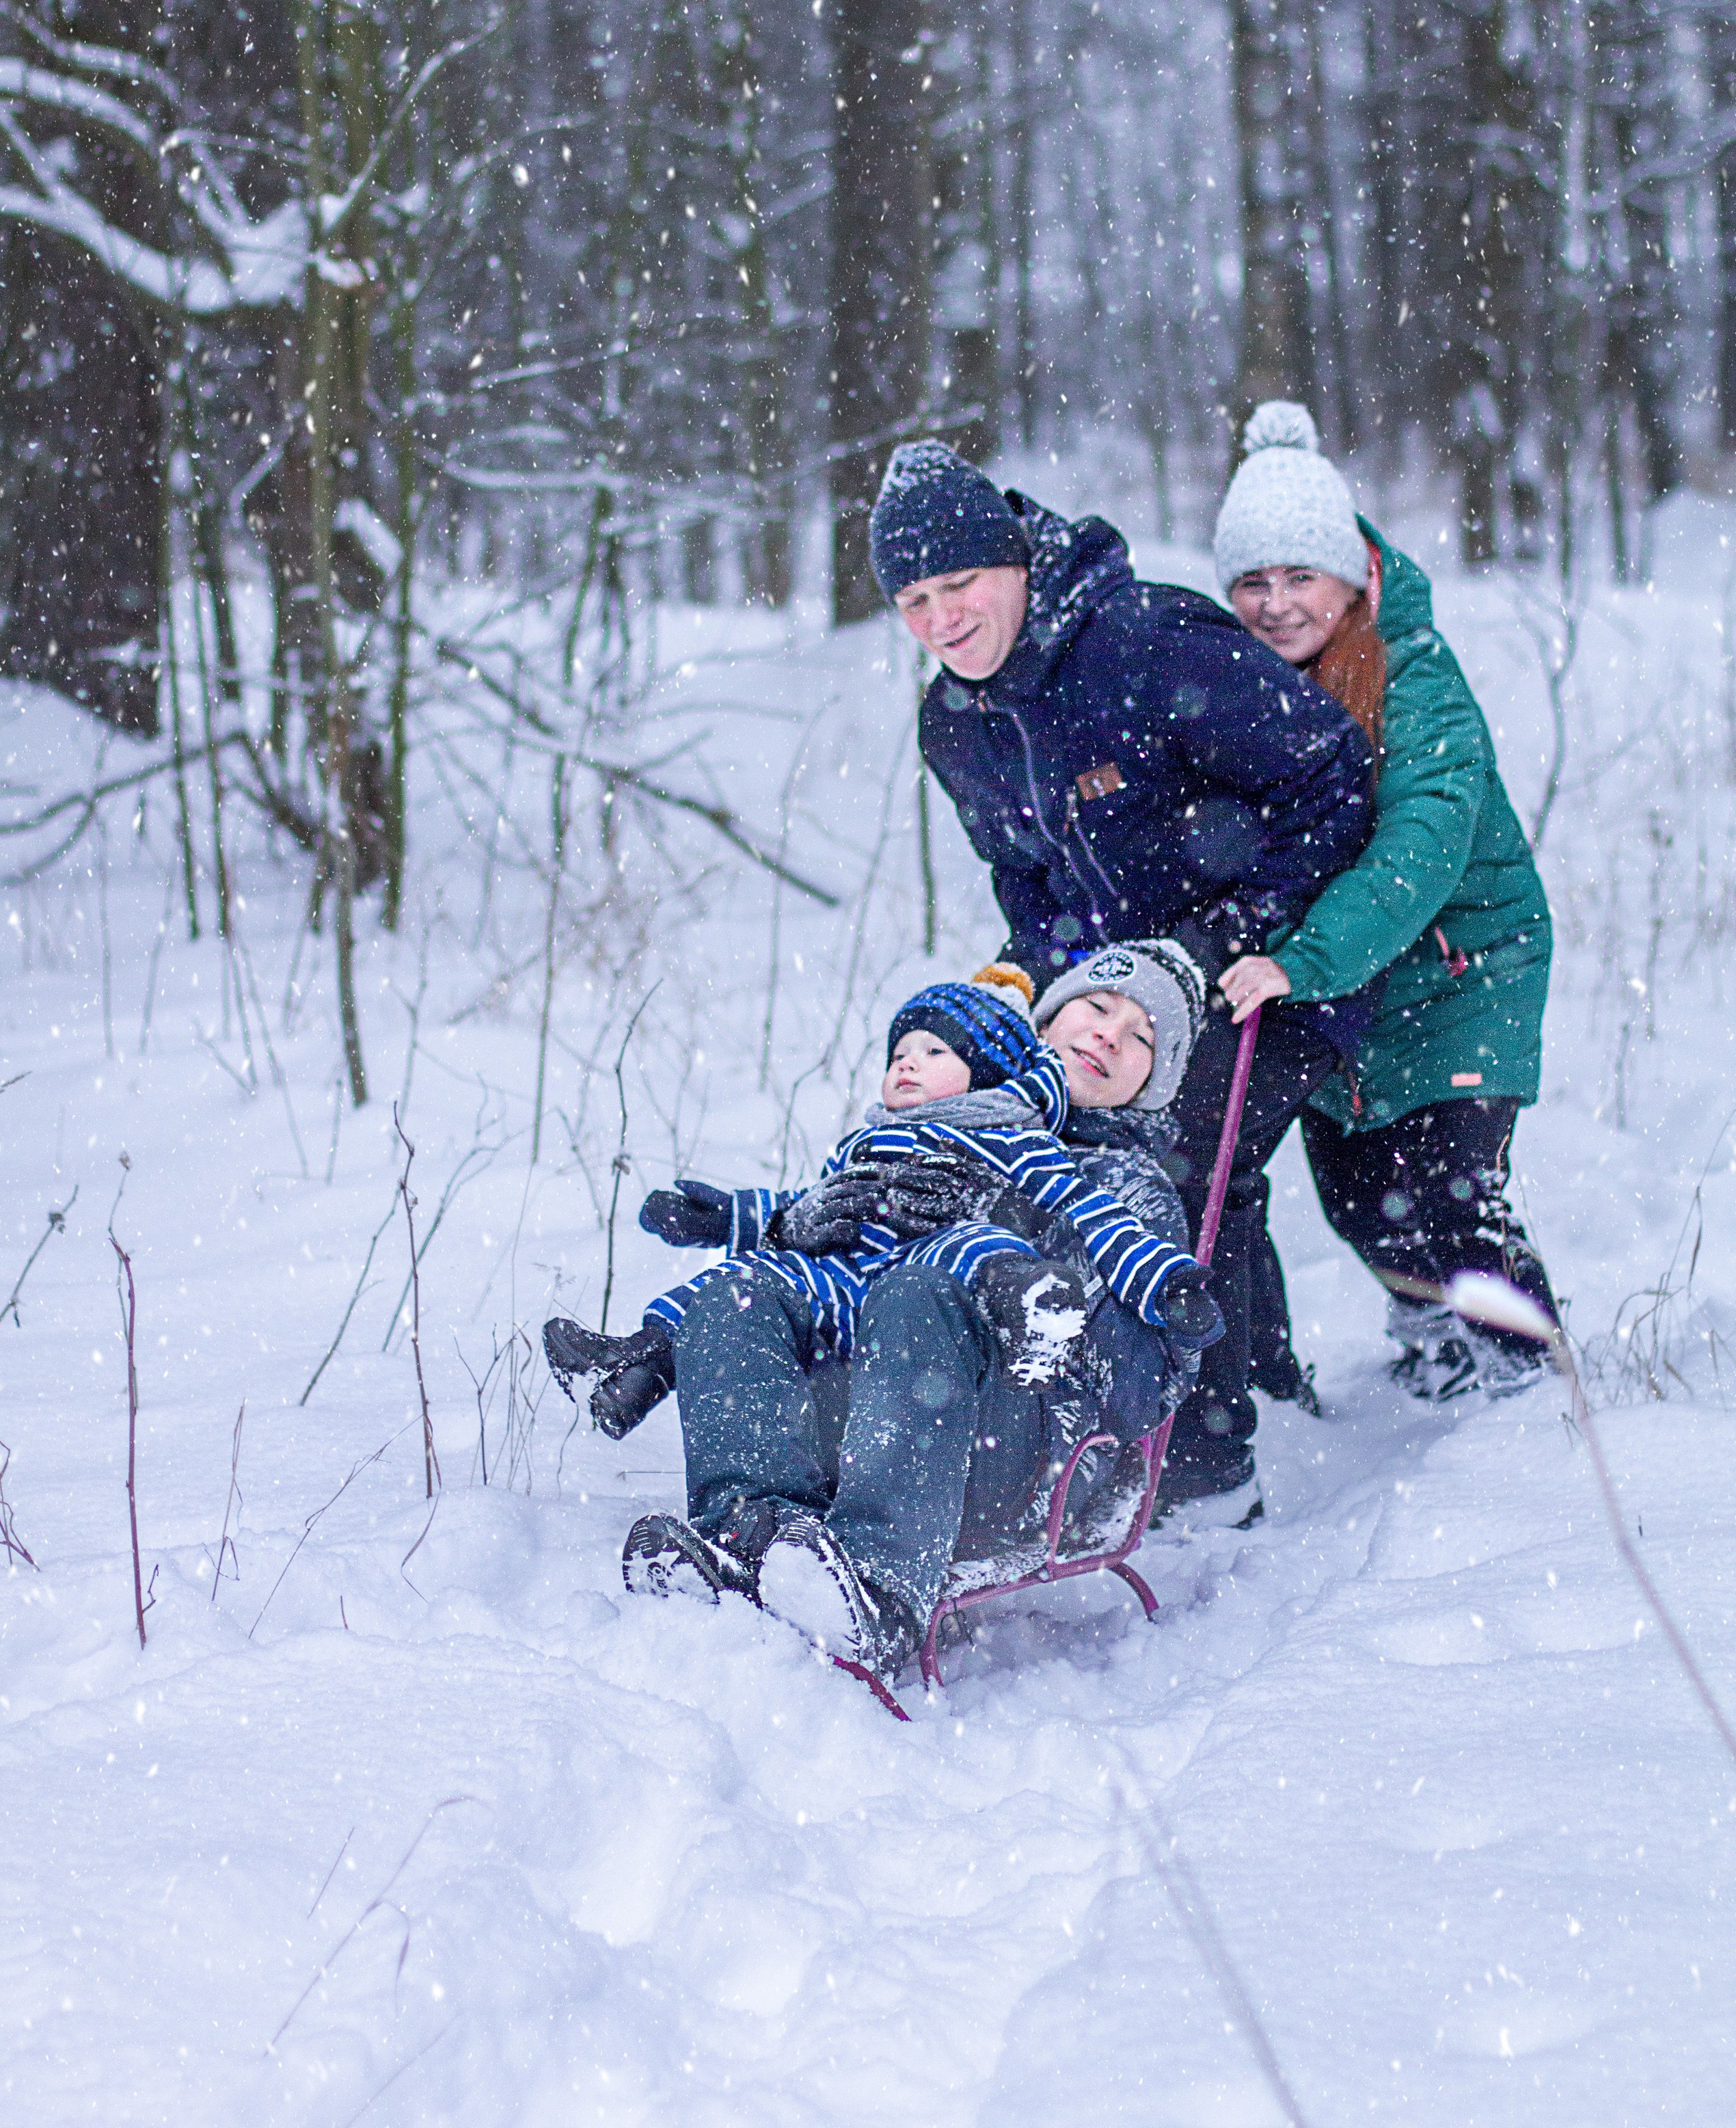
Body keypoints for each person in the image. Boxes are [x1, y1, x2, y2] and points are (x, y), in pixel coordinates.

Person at [869, 439, 1379, 1522]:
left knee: (1183, 1160)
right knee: (1052, 1140)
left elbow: (1336, 776)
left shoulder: (1147, 641)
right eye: (915, 600)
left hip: (1279, 965)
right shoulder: (955, 726)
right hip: (1127, 989)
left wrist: (1233, 934)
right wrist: (1036, 989)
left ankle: (1206, 1474)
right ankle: (1261, 1383)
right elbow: (1027, 877)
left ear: (1014, 562)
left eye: (960, 584)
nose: (943, 619)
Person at [599, 973, 1219, 1675]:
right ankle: (746, 1532)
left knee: (915, 1293)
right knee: (738, 1296)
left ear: (1155, 1081)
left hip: (1016, 1455)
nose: (1110, 1032)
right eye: (1098, 1007)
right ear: (1041, 1025)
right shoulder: (932, 1123)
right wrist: (795, 1228)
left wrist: (1004, 1230)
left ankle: (881, 1591)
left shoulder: (1128, 1183)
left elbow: (1136, 1390)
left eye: (1142, 1036)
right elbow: (831, 1290)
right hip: (872, 1417)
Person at [1208, 402, 1560, 1399]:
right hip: (1345, 980)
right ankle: (1440, 1337)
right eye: (1252, 583)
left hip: (1461, 969)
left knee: (1453, 1200)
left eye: (1299, 577)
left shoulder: (1414, 678)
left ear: (1353, 575)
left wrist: (1302, 960)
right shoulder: (1248, 688)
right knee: (1362, 1203)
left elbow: (1423, 848)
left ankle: (1532, 1380)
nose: (1276, 605)